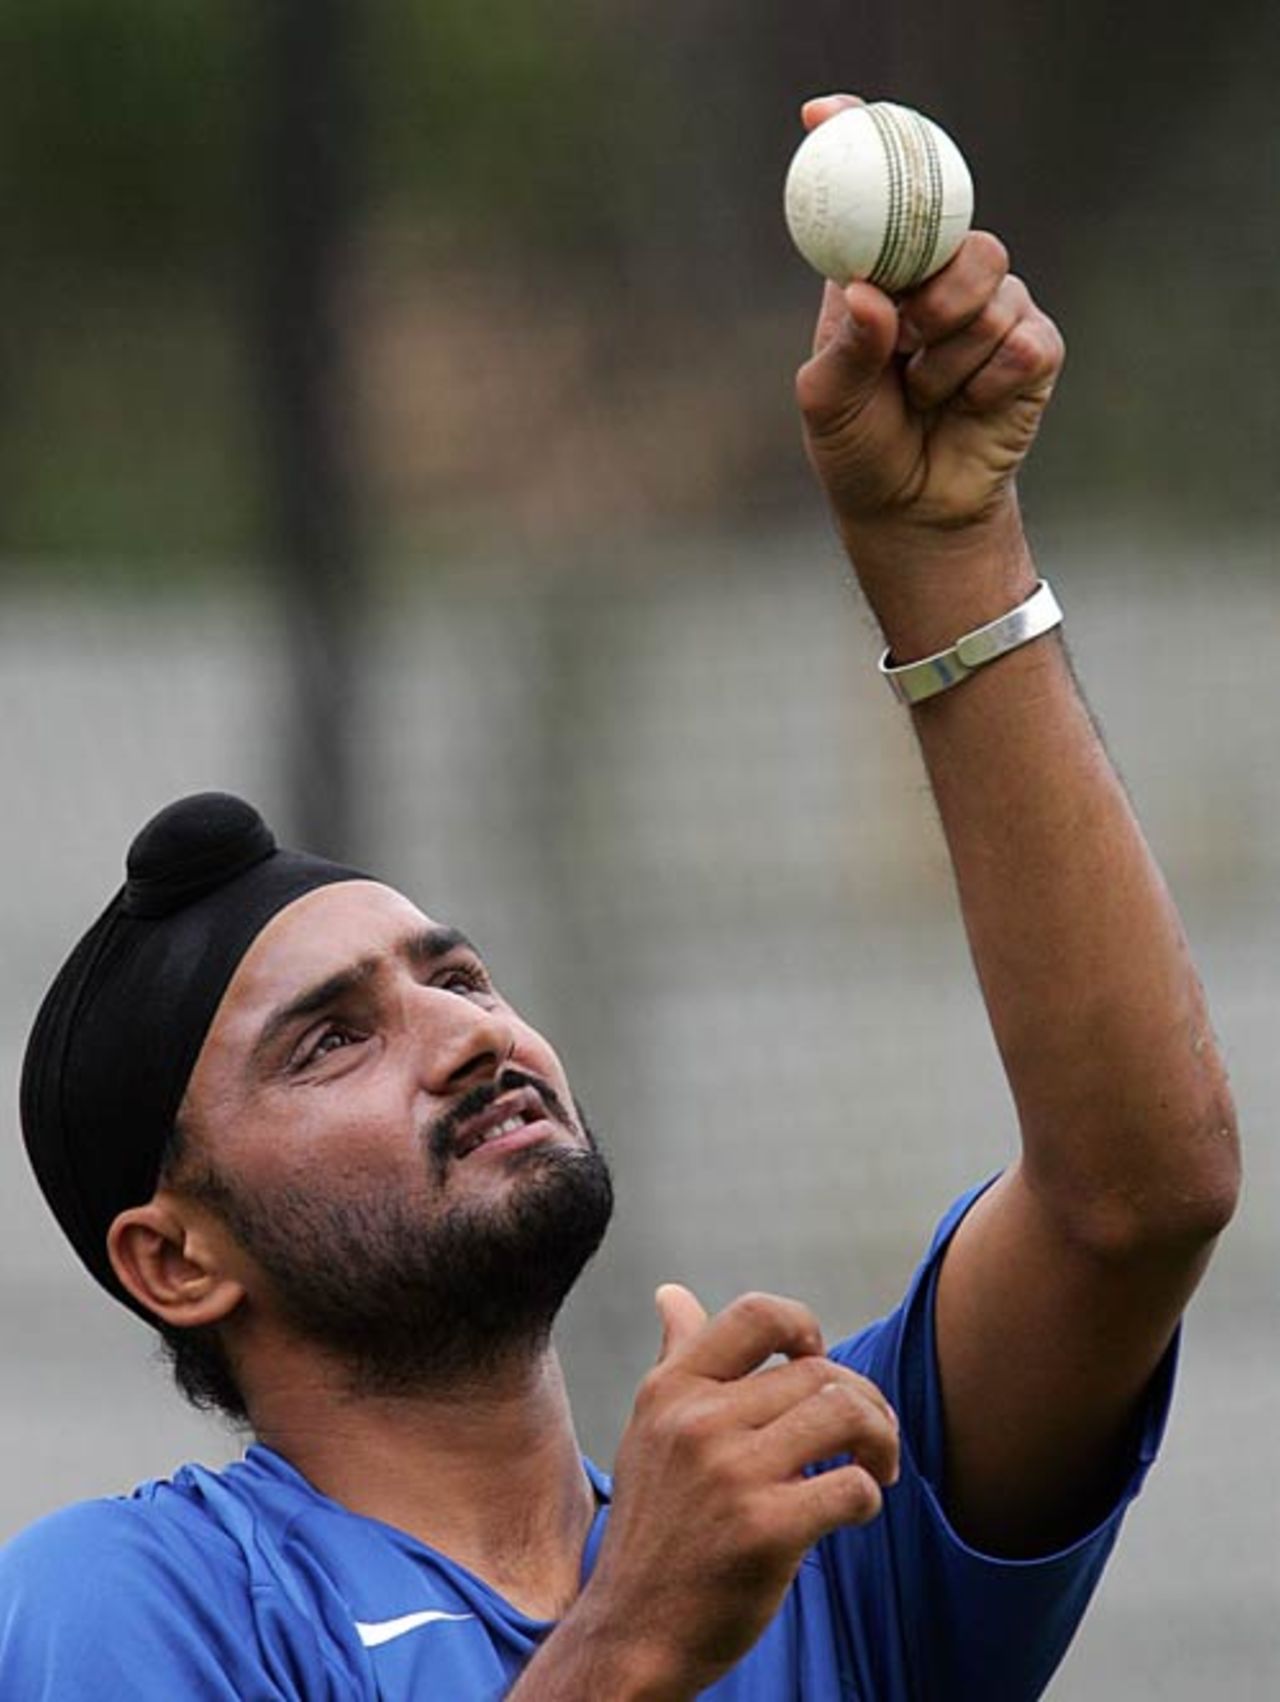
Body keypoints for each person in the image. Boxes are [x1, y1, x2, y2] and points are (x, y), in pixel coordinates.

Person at [0, 93, 1239, 1701]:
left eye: (453, 972)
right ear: (177, 1260)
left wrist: (946, 542)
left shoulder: (803, 1516)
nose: (459, 1033)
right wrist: (634, 1636)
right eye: (327, 1042)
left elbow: (1136, 1195)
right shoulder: (128, 1602)